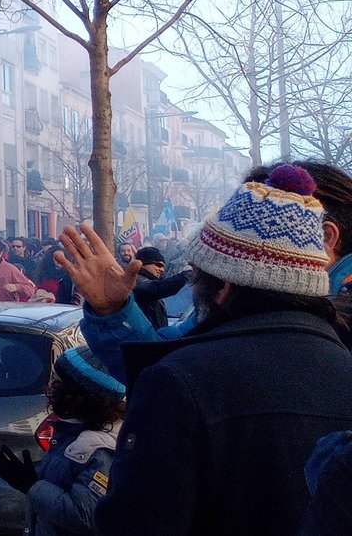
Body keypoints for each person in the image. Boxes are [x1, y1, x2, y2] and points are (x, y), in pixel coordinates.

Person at [80, 164, 352, 535]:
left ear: (222, 287)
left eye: (198, 276)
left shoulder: (178, 381)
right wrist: (114, 312)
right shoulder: (340, 358)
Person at [0, 346, 125, 536]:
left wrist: (31, 486)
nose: (50, 388)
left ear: (77, 395)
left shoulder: (100, 448)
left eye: (56, 381)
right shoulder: (72, 432)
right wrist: (34, 479)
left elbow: (85, 515)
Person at [129, 247, 192, 329]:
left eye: (163, 266)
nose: (162, 269)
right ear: (144, 264)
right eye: (158, 265)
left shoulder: (149, 281)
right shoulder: (136, 282)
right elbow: (154, 288)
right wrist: (184, 276)